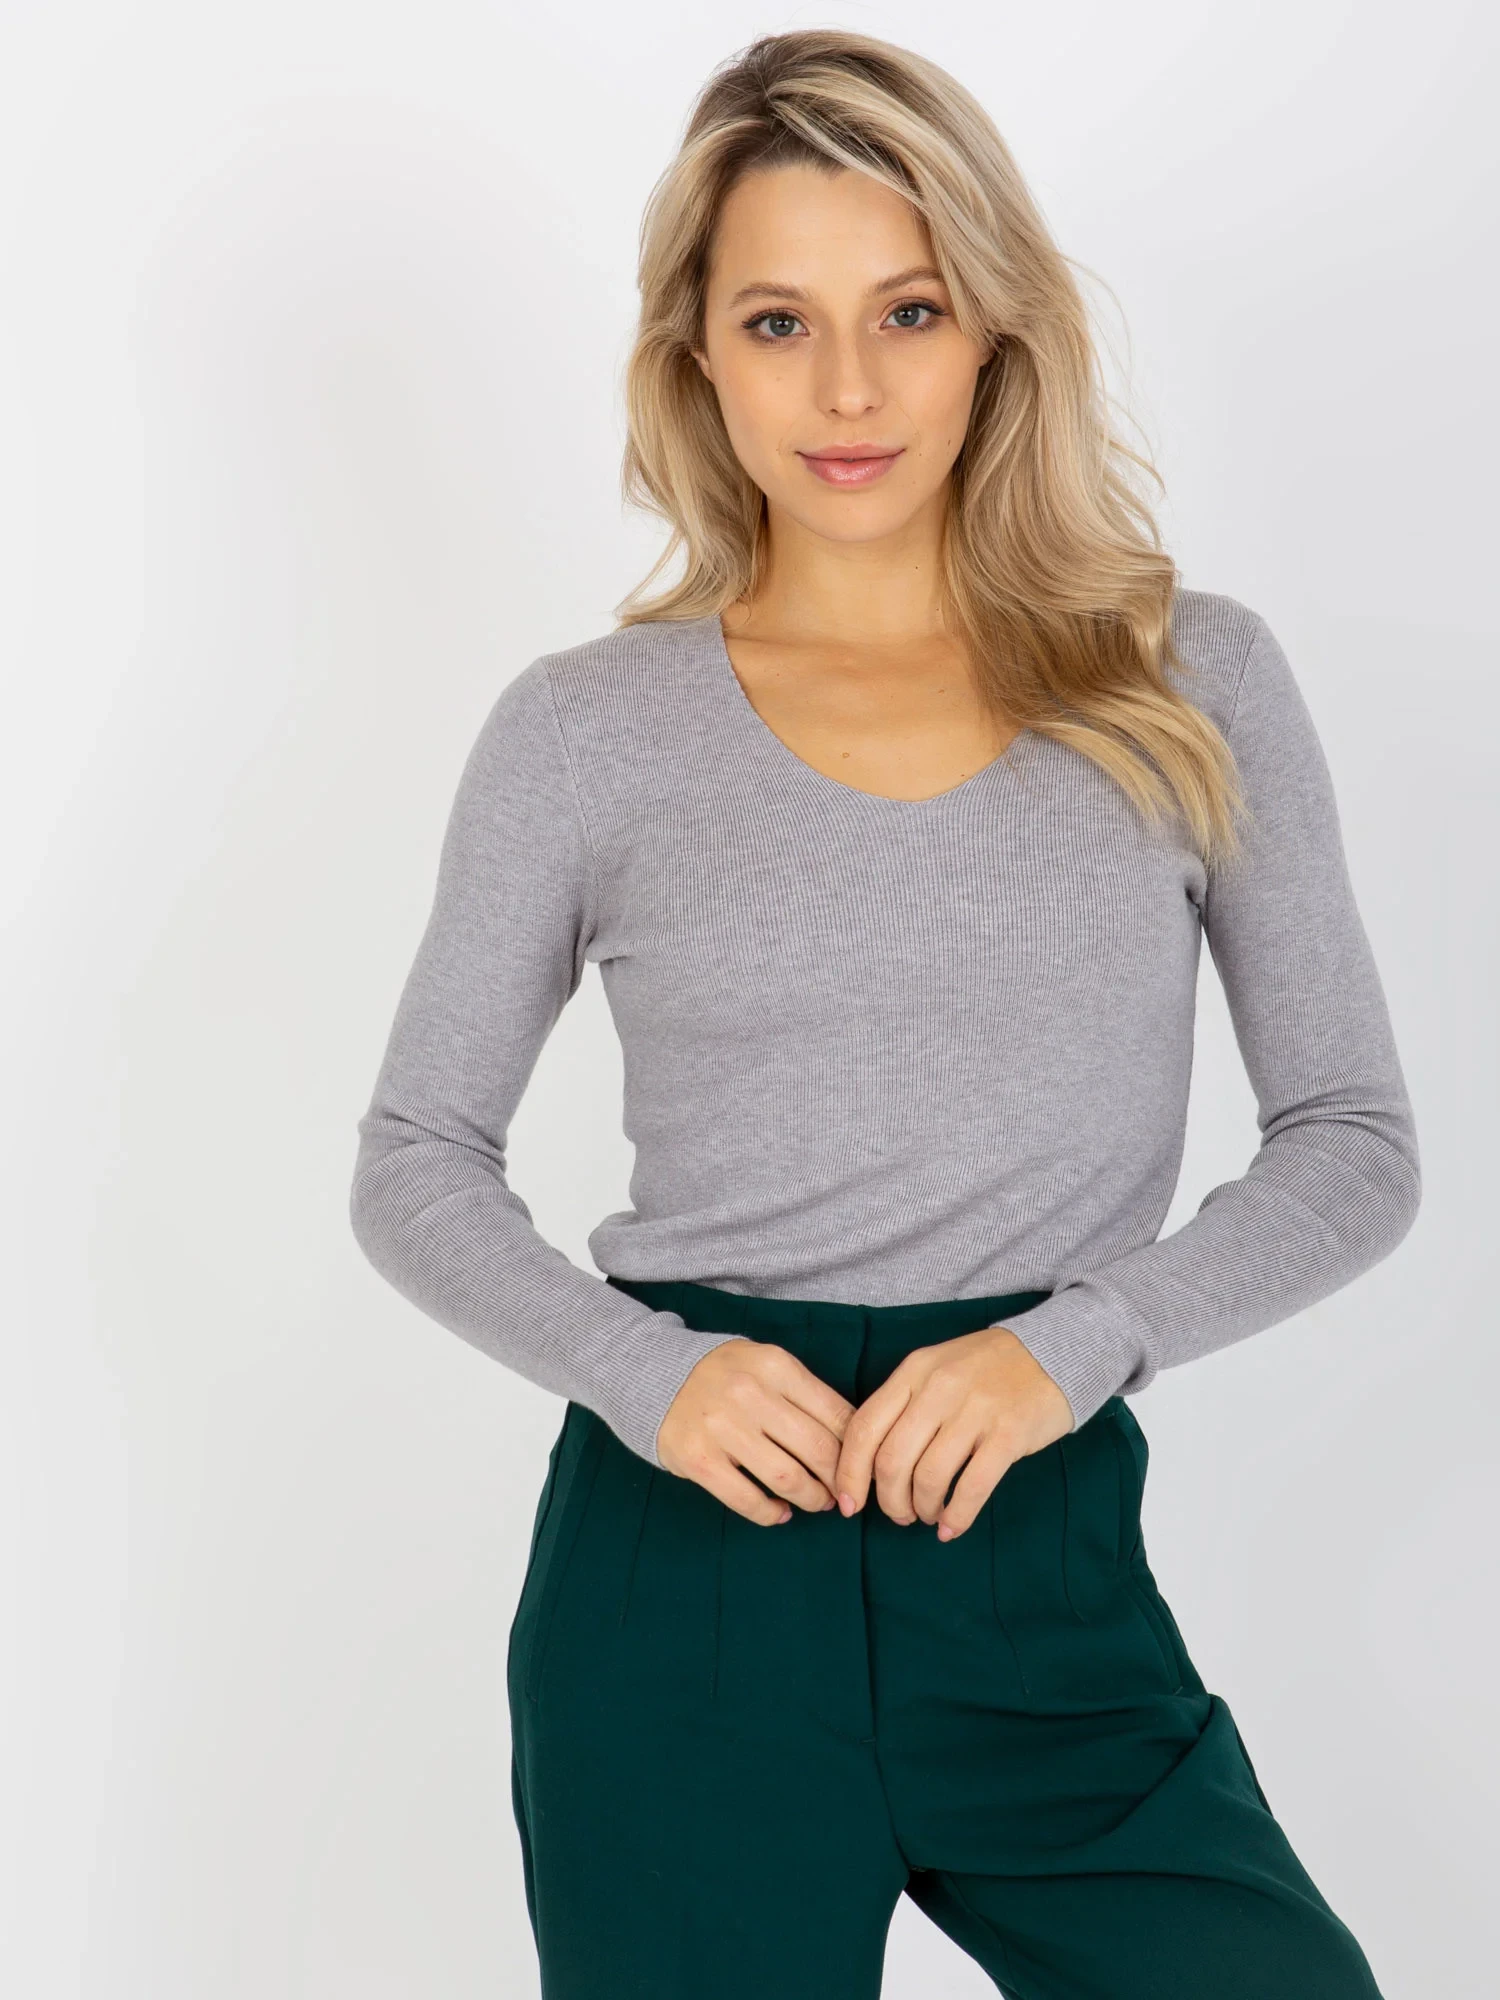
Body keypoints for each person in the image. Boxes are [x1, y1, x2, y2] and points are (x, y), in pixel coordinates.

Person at [348, 28, 1420, 1999]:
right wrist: (645, 1373)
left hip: (1041, 1563)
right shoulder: (584, 733)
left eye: (907, 311)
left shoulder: (1188, 683)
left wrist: (1074, 1348)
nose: (847, 390)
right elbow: (415, 1157)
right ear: (698, 358)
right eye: (779, 322)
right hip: (685, 1583)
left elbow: (1354, 1142)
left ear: (996, 328)